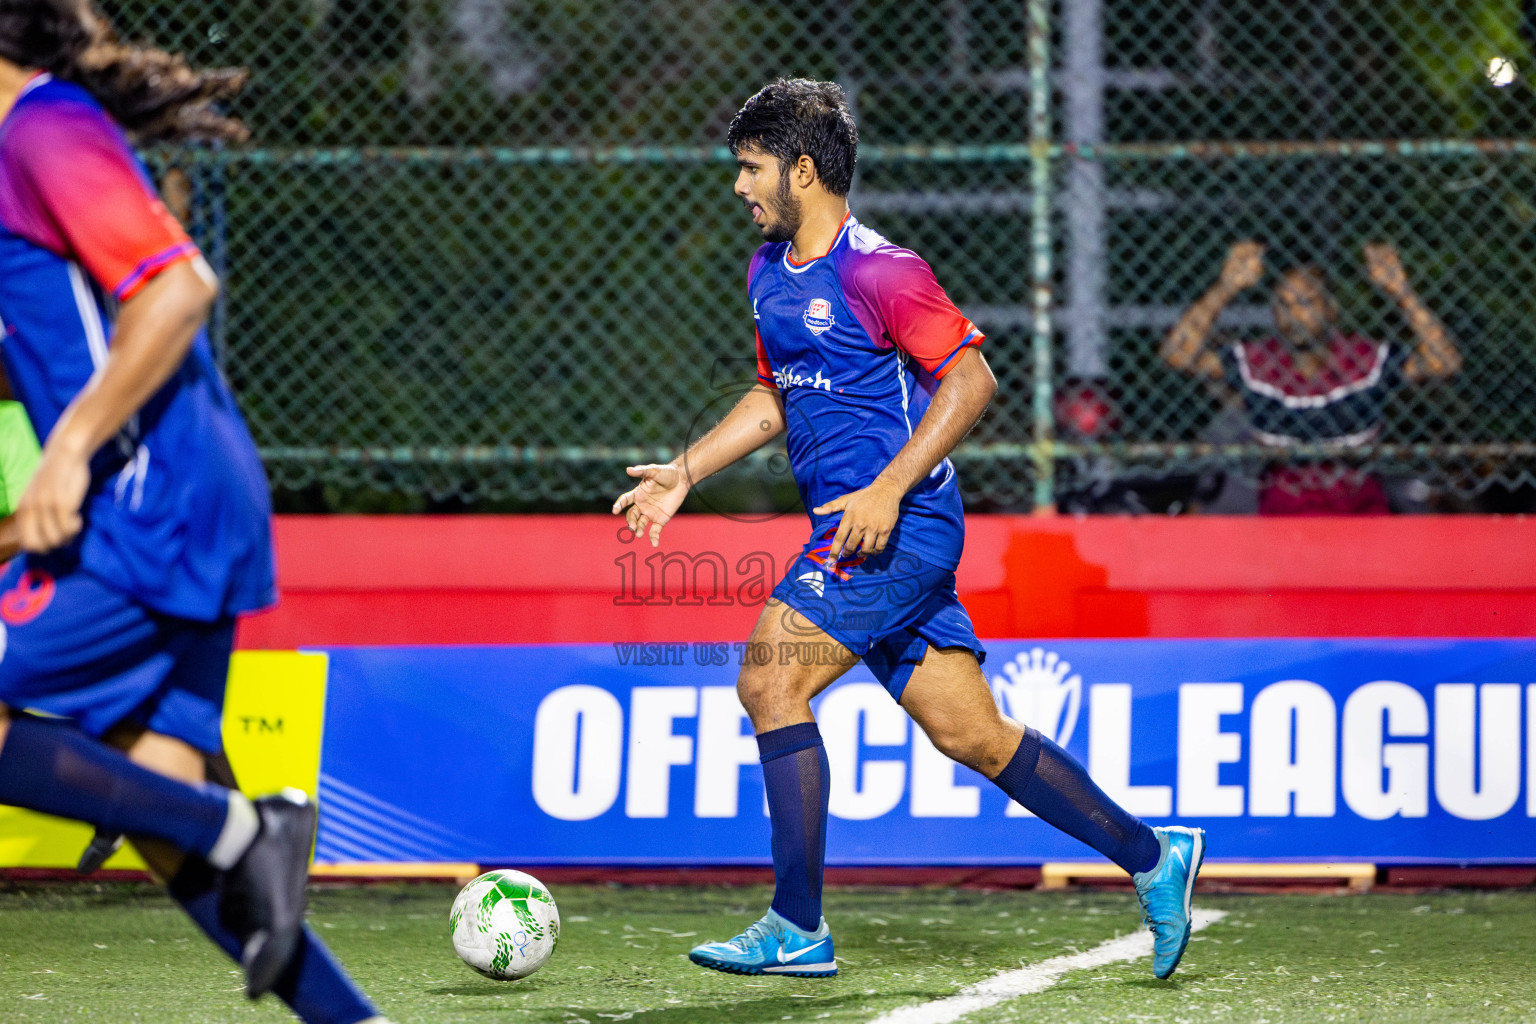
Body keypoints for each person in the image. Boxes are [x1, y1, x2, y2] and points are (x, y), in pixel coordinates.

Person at [612, 78, 1206, 981]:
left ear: (802, 171)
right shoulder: (767, 273)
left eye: (752, 168)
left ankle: (797, 926)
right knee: (974, 736)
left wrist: (890, 488)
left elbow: (973, 381)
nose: (739, 187)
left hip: (900, 527)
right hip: (856, 530)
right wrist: (685, 472)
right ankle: (1155, 856)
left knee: (770, 683)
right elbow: (776, 396)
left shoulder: (882, 269)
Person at [0, 3, 391, 1021]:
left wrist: (69, 453)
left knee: (211, 824)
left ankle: (249, 827)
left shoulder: (42, 125)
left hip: (148, 500)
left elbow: (176, 290)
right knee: (167, 807)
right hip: (184, 499)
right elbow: (52, 342)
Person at [1163, 239, 1462, 514]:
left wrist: (1401, 291)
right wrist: (1225, 287)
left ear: (1330, 309)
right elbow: (1178, 354)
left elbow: (1443, 362)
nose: (1294, 314)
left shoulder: (1361, 359)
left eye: (1306, 303)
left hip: (1360, 517)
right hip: (1286, 520)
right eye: (1284, 305)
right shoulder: (1260, 363)